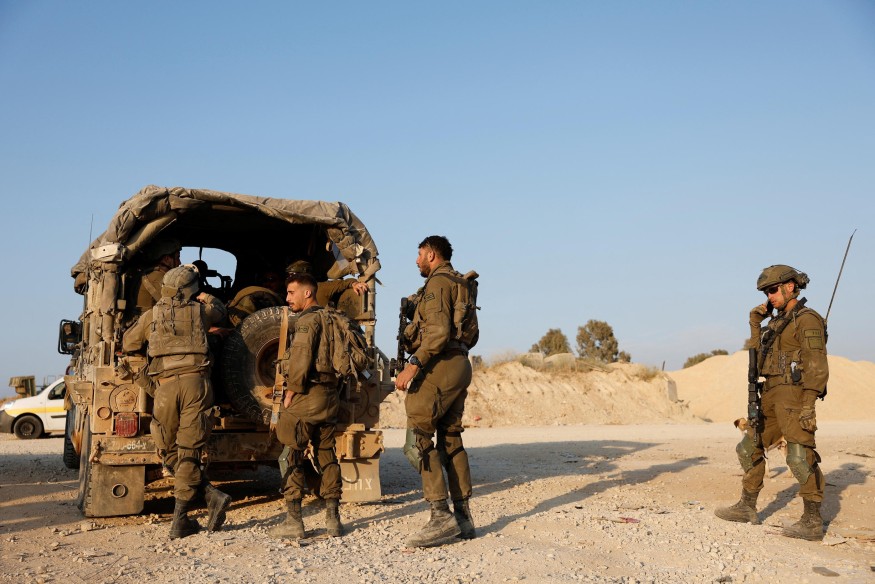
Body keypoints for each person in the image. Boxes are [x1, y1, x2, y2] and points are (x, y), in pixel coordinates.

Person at [715, 265, 829, 540]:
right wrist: (755, 323)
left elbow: (817, 365)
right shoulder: (776, 323)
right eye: (766, 292)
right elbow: (756, 357)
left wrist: (808, 404)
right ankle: (746, 507)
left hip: (794, 395)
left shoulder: (807, 319)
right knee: (748, 447)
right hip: (769, 393)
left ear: (790, 286)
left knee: (799, 456)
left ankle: (812, 521)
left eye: (773, 289)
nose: (769, 296)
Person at [122, 264, 232, 539]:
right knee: (189, 450)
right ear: (190, 291)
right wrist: (205, 296)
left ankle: (183, 516)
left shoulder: (151, 315)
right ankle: (204, 499)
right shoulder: (200, 312)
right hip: (196, 384)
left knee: (168, 447)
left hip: (165, 387)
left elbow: (128, 343)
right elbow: (221, 311)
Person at [394, 235, 475, 547]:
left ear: (431, 254)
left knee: (420, 436)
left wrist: (413, 364)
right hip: (460, 362)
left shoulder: (438, 283)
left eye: (419, 255)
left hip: (440, 363)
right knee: (451, 438)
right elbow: (471, 335)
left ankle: (440, 516)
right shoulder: (461, 283)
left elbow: (438, 332)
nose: (416, 261)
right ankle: (463, 518)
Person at [268, 272, 344, 539]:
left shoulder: (307, 321)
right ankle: (333, 520)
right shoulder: (332, 317)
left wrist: (291, 392)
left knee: (291, 454)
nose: (287, 298)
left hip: (307, 395)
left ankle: (294, 522)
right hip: (330, 395)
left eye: (291, 293)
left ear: (308, 293)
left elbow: (300, 358)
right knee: (327, 454)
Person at [285, 260, 368, 310]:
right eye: (289, 275)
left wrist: (354, 284)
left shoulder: (322, 287)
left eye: (293, 275)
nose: (290, 278)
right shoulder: (291, 293)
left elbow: (343, 283)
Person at [133, 238, 182, 317]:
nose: (180, 262)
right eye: (177, 258)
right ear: (166, 259)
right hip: (146, 322)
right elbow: (176, 304)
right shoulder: (156, 276)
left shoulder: (154, 274)